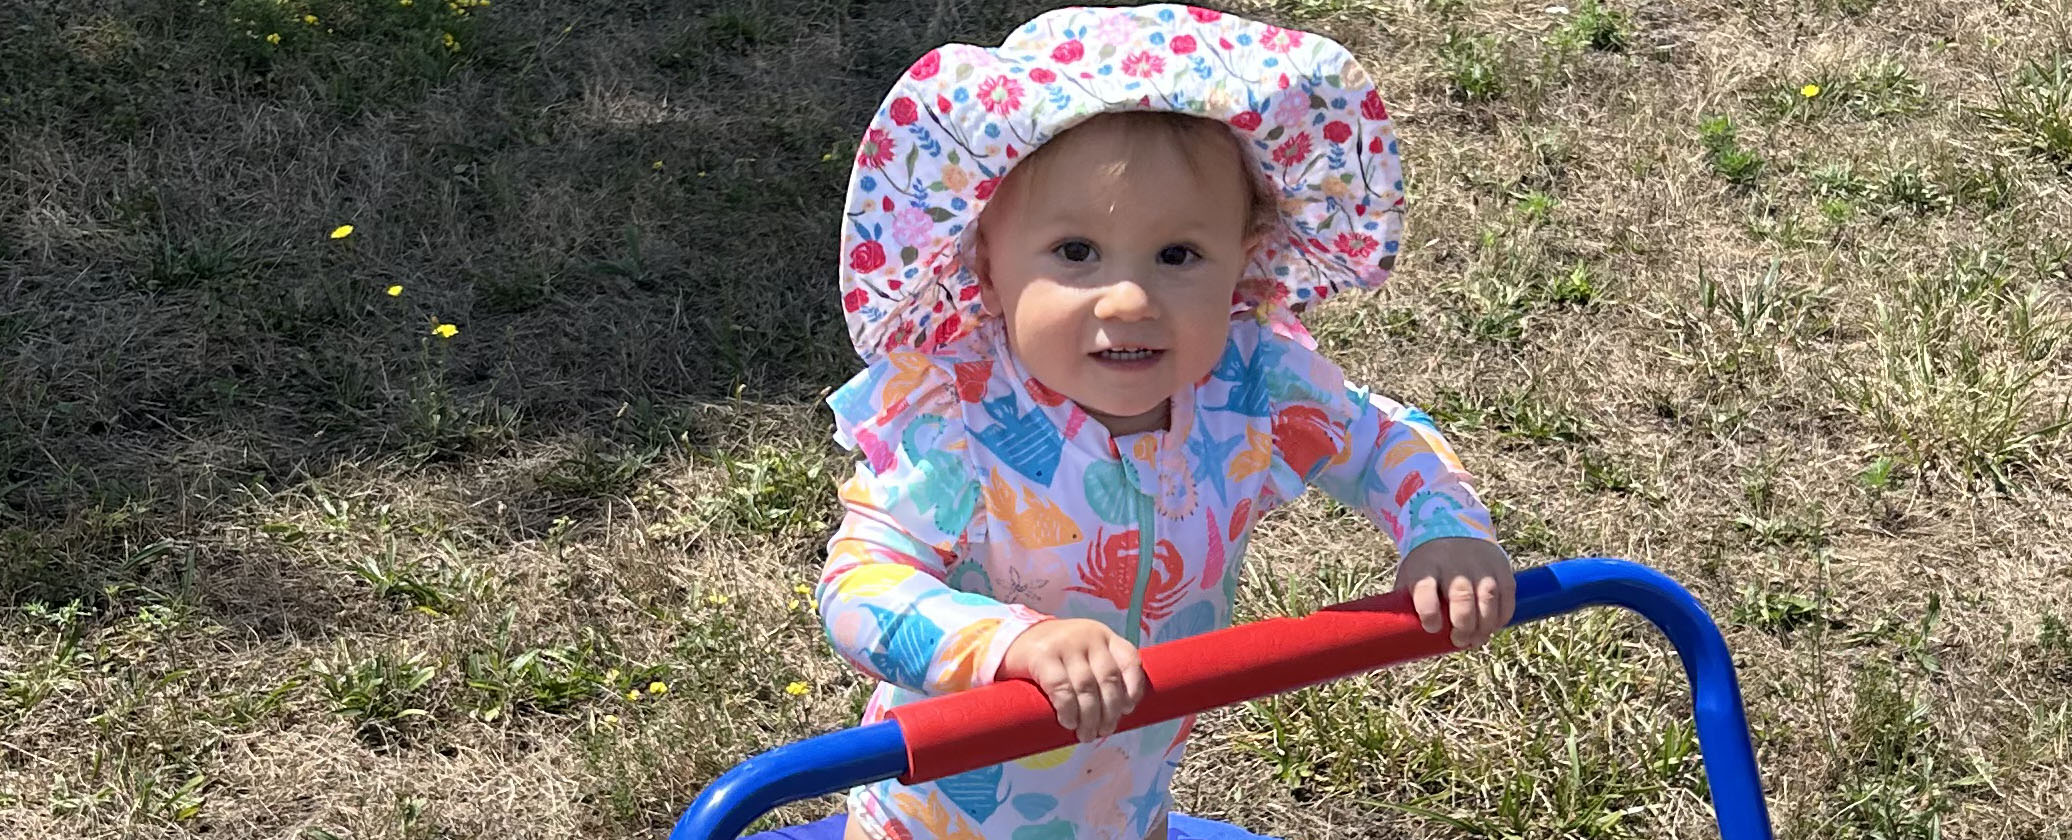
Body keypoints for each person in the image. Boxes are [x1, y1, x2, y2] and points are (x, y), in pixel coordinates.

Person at [815, 6, 1513, 838]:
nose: (1131, 300)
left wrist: (1445, 528)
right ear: (986, 266)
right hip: (937, 825)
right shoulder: (962, 423)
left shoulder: (1249, 387)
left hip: (1127, 808)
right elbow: (860, 588)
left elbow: (1384, 439)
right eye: (1075, 253)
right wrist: (1009, 643)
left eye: (1178, 256)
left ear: (1244, 257)